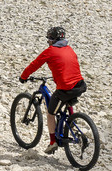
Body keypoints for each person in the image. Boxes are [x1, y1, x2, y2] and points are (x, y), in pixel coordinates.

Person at [20, 26, 86, 154]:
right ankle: (71, 119)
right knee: (66, 99)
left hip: (66, 89)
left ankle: (52, 142)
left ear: (53, 40)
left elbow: (35, 64)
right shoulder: (70, 49)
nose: (48, 41)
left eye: (49, 39)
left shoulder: (50, 51)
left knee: (51, 113)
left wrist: (23, 77)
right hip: (80, 85)